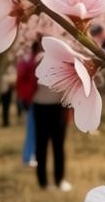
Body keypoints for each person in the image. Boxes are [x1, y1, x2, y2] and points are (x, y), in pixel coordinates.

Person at [31, 42, 71, 191]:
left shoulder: (35, 59)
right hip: (55, 107)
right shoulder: (49, 59)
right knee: (58, 146)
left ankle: (43, 182)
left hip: (40, 106)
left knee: (41, 145)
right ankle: (59, 180)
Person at [16, 38, 40, 167]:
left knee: (33, 130)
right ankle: (29, 156)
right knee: (33, 130)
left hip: (29, 99)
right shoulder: (32, 62)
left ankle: (30, 155)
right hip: (33, 100)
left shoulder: (27, 61)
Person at [0, 58, 16, 127]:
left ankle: (6, 121)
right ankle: (5, 121)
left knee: (6, 108)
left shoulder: (10, 70)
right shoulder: (3, 72)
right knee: (5, 108)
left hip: (7, 92)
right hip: (4, 92)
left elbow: (13, 79)